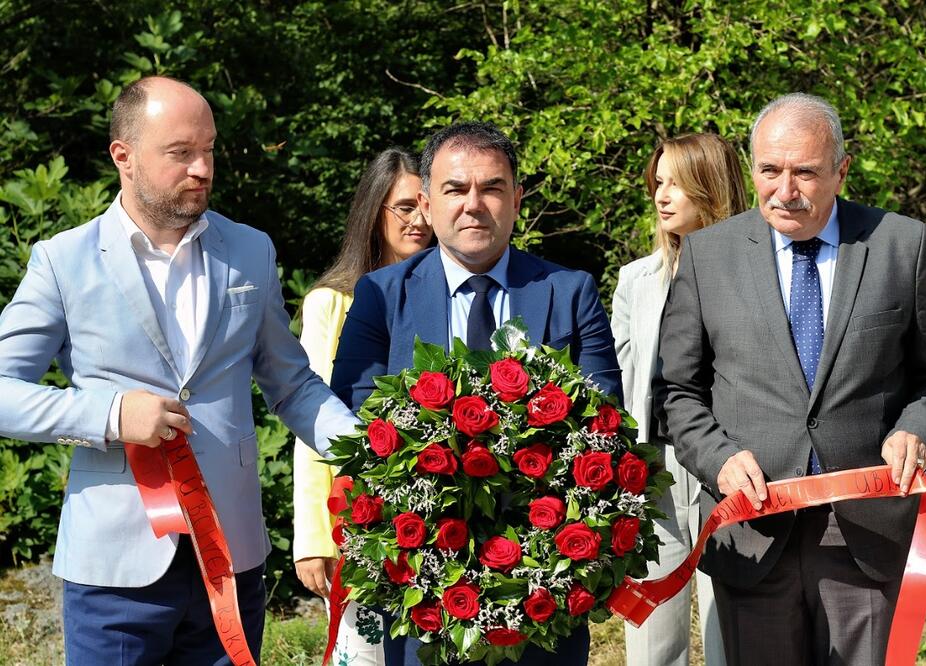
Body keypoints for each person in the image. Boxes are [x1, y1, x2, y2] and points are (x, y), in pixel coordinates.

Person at [0, 76, 358, 665]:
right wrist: (112, 414)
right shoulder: (61, 261)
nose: (202, 168)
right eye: (180, 153)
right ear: (124, 156)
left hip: (233, 557)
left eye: (209, 149)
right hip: (113, 569)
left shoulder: (250, 251)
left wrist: (373, 453)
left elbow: (293, 384)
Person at [655, 93, 926, 665]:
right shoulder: (707, 256)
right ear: (751, 170)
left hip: (866, 535)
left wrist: (916, 430)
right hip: (750, 534)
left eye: (806, 172)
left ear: (841, 170)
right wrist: (718, 457)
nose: (785, 190)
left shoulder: (899, 244)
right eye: (769, 171)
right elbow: (677, 392)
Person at [331, 120, 623, 666]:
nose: (474, 205)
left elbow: (605, 425)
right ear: (425, 201)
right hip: (422, 578)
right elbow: (356, 420)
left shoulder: (570, 291)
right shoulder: (380, 296)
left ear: (516, 198)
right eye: (455, 189)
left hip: (544, 585)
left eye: (491, 188)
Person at [293, 147, 433, 664]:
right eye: (403, 207)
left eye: (424, 204)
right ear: (374, 210)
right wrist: (312, 537)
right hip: (357, 516)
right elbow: (310, 421)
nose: (418, 220)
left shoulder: (456, 296)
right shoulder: (330, 302)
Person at [613, 133, 745, 666]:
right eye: (657, 183)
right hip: (654, 468)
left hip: (733, 466)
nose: (661, 196)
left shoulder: (755, 276)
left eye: (675, 183)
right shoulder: (635, 280)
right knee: (650, 631)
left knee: (730, 627)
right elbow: (622, 383)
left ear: (709, 188)